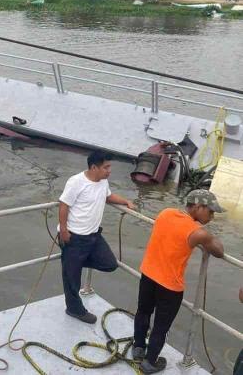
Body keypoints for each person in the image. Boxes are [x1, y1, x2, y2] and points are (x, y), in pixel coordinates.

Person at [132, 190, 225, 374]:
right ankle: (150, 362)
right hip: (170, 286)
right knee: (161, 326)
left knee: (143, 311)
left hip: (148, 275)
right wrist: (208, 236)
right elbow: (220, 251)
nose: (212, 216)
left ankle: (138, 348)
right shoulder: (198, 233)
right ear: (198, 207)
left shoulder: (165, 213)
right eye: (211, 211)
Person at [58, 150, 136, 324]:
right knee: (72, 280)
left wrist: (125, 201)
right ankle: (74, 309)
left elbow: (108, 196)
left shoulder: (103, 182)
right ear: (94, 167)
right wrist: (63, 230)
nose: (109, 171)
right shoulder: (76, 182)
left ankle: (72, 262)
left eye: (109, 167)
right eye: (106, 167)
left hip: (93, 236)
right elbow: (64, 205)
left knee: (109, 264)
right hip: (74, 236)